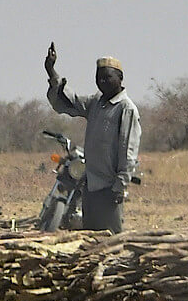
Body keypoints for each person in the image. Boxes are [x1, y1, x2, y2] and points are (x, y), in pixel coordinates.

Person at [43, 43, 140, 233]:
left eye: (108, 77)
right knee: (91, 238)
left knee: (110, 239)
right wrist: (52, 71)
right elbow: (67, 101)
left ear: (120, 78)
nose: (102, 81)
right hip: (91, 185)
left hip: (110, 188)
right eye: (99, 78)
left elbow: (129, 150)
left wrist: (119, 186)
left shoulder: (126, 109)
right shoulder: (96, 103)